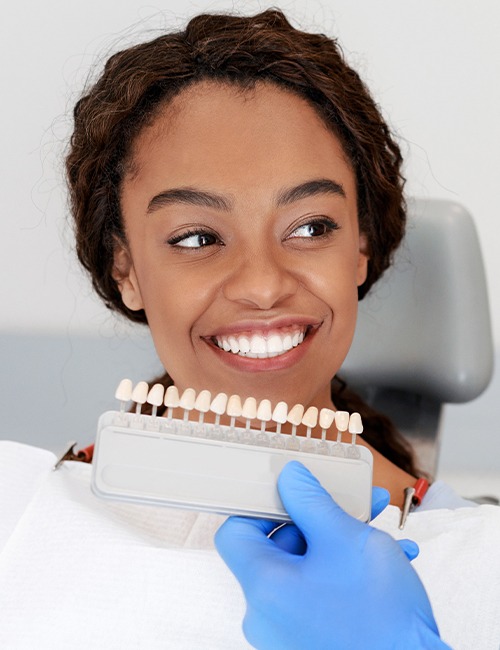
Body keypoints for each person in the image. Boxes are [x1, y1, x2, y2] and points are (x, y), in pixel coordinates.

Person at [63, 9, 482, 647]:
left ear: (361, 246)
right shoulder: (30, 523)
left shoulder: (478, 563)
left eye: (312, 227)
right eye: (197, 237)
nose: (262, 285)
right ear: (127, 269)